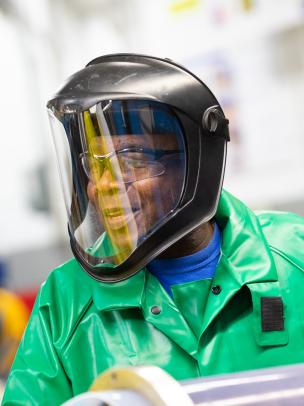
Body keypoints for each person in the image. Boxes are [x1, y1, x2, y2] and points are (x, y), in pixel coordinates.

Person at [3, 54, 304, 405]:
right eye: (94, 164)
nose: (103, 186)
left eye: (130, 158)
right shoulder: (66, 300)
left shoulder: (294, 255)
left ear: (195, 161)